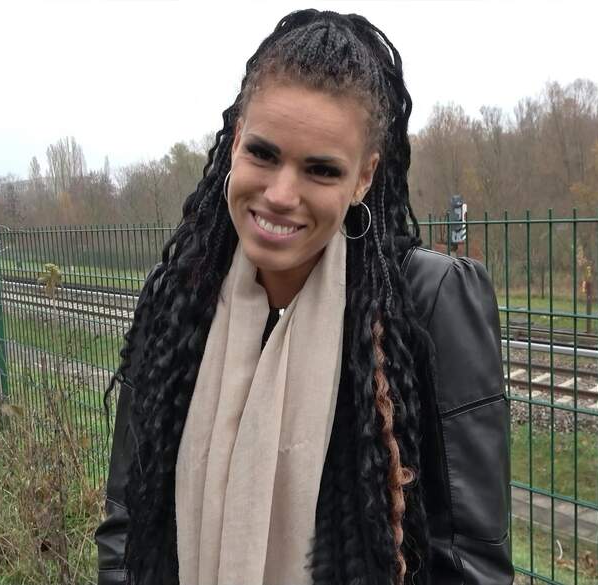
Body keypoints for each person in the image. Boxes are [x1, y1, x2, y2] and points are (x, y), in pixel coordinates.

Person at [95, 9, 513, 585]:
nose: (281, 194)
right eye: (263, 154)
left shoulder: (428, 304)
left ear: (363, 177)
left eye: (321, 170)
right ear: (236, 142)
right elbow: (127, 525)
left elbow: (471, 566)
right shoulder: (179, 301)